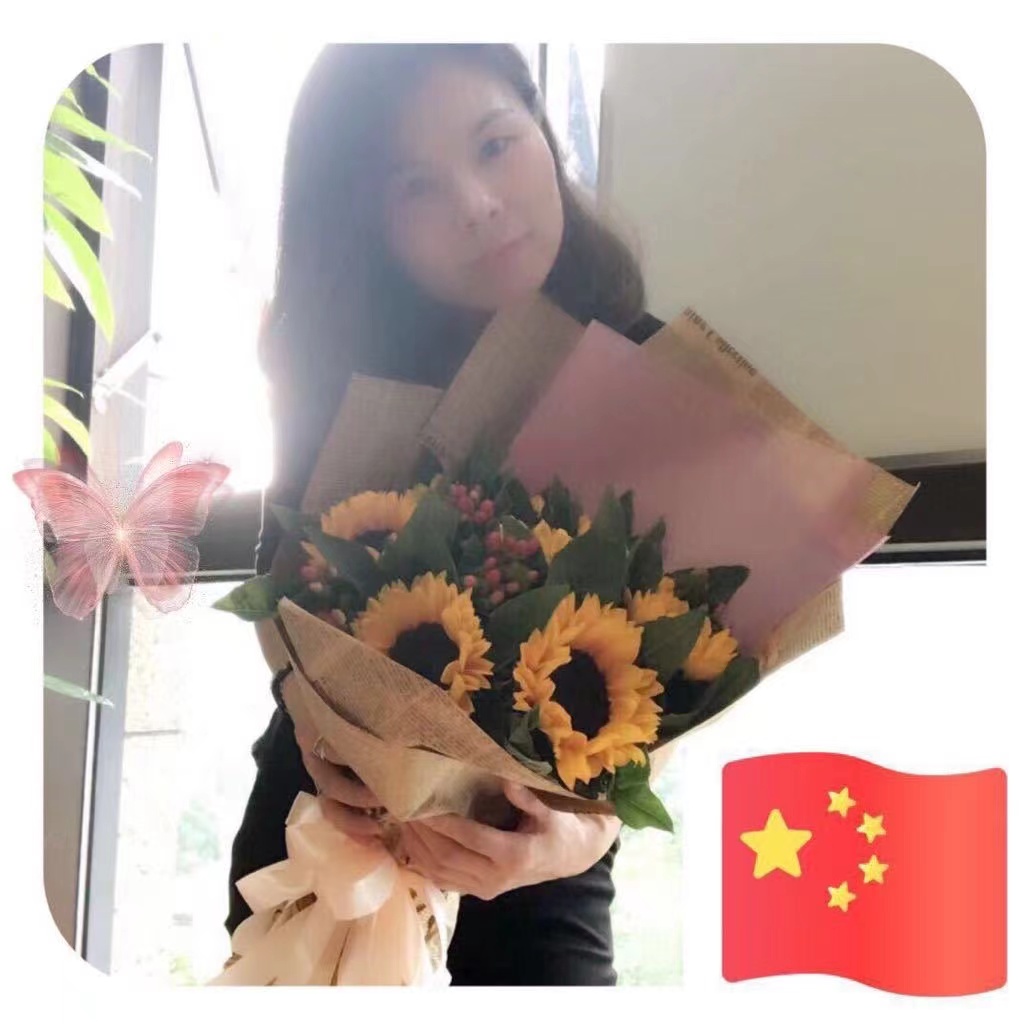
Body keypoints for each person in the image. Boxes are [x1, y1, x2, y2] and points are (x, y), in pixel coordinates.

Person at [226, 43, 665, 986]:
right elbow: (283, 586)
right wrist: (317, 733)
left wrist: (583, 834)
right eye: (415, 187)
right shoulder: (337, 361)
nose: (475, 202)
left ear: (541, 128)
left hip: (532, 862)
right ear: (364, 219)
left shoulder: (647, 368)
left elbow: (674, 665)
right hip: (324, 839)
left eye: (495, 144)